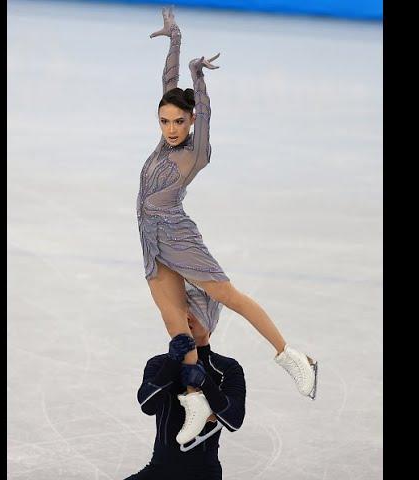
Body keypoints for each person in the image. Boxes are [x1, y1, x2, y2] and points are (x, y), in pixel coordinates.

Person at [136, 6, 318, 444]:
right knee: (176, 324)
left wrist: (199, 79)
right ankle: (196, 403)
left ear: (192, 120)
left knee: (228, 296)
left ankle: (292, 356)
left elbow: (204, 112)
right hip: (150, 241)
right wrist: (176, 41)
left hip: (178, 236)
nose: (171, 128)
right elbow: (168, 86)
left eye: (180, 120)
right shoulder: (164, 141)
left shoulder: (195, 153)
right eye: (164, 120)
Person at [124, 282, 245, 480]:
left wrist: (206, 383)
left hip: (204, 475)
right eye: (183, 309)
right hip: (159, 471)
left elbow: (234, 419)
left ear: (211, 320)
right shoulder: (159, 363)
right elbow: (147, 405)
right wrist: (172, 363)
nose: (187, 315)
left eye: (197, 309)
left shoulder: (227, 368)